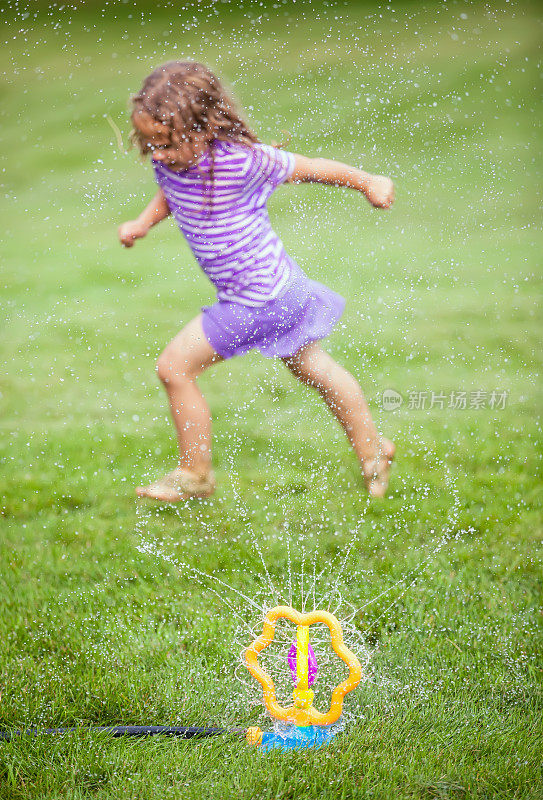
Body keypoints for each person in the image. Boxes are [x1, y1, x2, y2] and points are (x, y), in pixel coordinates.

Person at [118, 61, 395, 502]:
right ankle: (372, 449)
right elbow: (171, 191)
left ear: (204, 127)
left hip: (260, 298)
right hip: (280, 290)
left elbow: (312, 167)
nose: (157, 154)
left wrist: (367, 182)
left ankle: (195, 474)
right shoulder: (171, 162)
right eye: (150, 144)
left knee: (175, 368)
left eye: (166, 143)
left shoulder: (244, 160)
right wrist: (143, 222)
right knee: (314, 368)